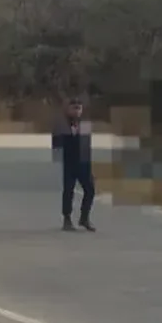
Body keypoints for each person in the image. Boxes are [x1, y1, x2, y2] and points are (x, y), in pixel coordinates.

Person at [51, 96, 96, 232]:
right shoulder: (61, 125)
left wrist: (89, 165)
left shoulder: (85, 125)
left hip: (83, 164)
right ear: (68, 109)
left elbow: (87, 146)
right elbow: (56, 145)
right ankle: (67, 219)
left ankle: (84, 217)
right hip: (70, 163)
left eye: (79, 108)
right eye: (74, 108)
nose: (76, 111)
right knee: (68, 191)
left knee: (90, 190)